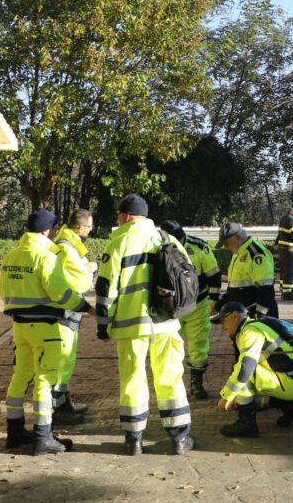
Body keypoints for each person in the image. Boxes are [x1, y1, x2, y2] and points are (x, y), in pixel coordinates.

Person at [96, 194, 194, 456]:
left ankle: (134, 440)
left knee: (132, 379)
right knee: (170, 377)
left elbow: (106, 289)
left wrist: (103, 325)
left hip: (131, 326)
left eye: (119, 215)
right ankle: (179, 439)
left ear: (126, 216)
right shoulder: (168, 239)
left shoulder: (118, 242)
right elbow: (187, 277)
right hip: (166, 322)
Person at [0, 209, 91, 456]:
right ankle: (43, 437)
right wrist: (86, 307)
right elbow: (61, 293)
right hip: (46, 326)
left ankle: (14, 432)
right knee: (45, 379)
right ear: (46, 230)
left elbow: (3, 291)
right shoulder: (46, 257)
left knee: (20, 376)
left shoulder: (11, 256)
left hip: (19, 326)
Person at [211, 302, 293, 437]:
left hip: (291, 382)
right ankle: (291, 407)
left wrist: (227, 396)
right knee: (244, 391)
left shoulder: (250, 332)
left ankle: (247, 424)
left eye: (223, 321)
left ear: (235, 316)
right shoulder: (254, 327)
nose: (222, 325)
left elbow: (246, 367)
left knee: (245, 374)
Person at [161, 220, 221, 401]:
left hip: (197, 304)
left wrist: (213, 300)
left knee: (198, 344)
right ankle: (173, 384)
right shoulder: (158, 247)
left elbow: (214, 274)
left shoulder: (199, 247)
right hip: (171, 307)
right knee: (170, 345)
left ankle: (196, 382)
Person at [50, 208, 98, 425]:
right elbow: (82, 280)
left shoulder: (71, 245)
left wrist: (86, 268)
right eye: (89, 226)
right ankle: (57, 408)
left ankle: (62, 403)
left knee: (66, 359)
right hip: (65, 310)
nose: (91, 229)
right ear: (80, 227)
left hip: (70, 309)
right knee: (62, 359)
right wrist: (91, 269)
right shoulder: (65, 247)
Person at [217, 221, 278, 318]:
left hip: (256, 315)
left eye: (226, 243)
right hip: (243, 315)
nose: (226, 247)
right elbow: (236, 287)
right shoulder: (237, 254)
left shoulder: (256, 254)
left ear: (237, 238)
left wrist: (261, 314)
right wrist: (224, 301)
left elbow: (266, 288)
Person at [276, 207, 293, 301]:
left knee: (285, 270)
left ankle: (289, 290)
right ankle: (287, 294)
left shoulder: (284, 218)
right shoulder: (292, 220)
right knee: (289, 271)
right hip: (288, 249)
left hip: (282, 248)